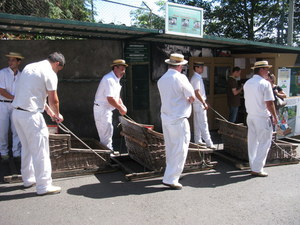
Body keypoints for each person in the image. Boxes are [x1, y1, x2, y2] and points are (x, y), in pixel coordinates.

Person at [12, 52, 65, 195]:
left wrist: (49, 112)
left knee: (27, 147)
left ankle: (28, 178)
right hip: (31, 115)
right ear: (57, 64)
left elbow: (34, 94)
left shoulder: (30, 67)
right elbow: (53, 100)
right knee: (41, 150)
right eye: (58, 69)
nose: (57, 71)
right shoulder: (50, 73)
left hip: (17, 113)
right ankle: (44, 186)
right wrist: (58, 114)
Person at [157, 53, 195, 190]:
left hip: (166, 117)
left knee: (171, 147)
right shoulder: (181, 78)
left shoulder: (161, 79)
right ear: (180, 65)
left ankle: (172, 174)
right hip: (179, 117)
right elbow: (191, 97)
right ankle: (171, 178)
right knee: (180, 148)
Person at [244, 61, 278, 177]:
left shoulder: (247, 83)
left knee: (253, 142)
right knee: (264, 142)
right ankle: (257, 168)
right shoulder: (265, 84)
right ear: (261, 70)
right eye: (267, 69)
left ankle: (253, 165)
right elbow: (269, 103)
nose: (268, 72)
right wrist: (274, 116)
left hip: (251, 115)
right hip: (262, 116)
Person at [94, 59, 127, 150]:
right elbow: (110, 99)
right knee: (105, 135)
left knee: (109, 131)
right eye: (122, 68)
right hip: (102, 110)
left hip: (106, 110)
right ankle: (107, 157)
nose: (123, 71)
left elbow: (116, 96)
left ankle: (109, 155)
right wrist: (120, 108)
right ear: (115, 68)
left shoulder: (116, 79)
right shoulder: (109, 79)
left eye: (124, 68)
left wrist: (122, 105)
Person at [0, 52, 23, 165]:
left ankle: (16, 153)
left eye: (13, 60)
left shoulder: (21, 75)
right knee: (2, 130)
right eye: (9, 60)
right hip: (3, 104)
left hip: (15, 105)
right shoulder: (2, 73)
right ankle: (3, 152)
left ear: (18, 62)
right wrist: (15, 98)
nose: (10, 62)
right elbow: (1, 90)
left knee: (16, 129)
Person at [190, 62, 216, 149]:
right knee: (203, 123)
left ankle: (198, 140)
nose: (202, 69)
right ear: (196, 68)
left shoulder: (196, 77)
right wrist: (204, 102)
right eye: (200, 67)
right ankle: (209, 143)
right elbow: (197, 92)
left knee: (197, 123)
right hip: (199, 103)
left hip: (197, 103)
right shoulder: (196, 78)